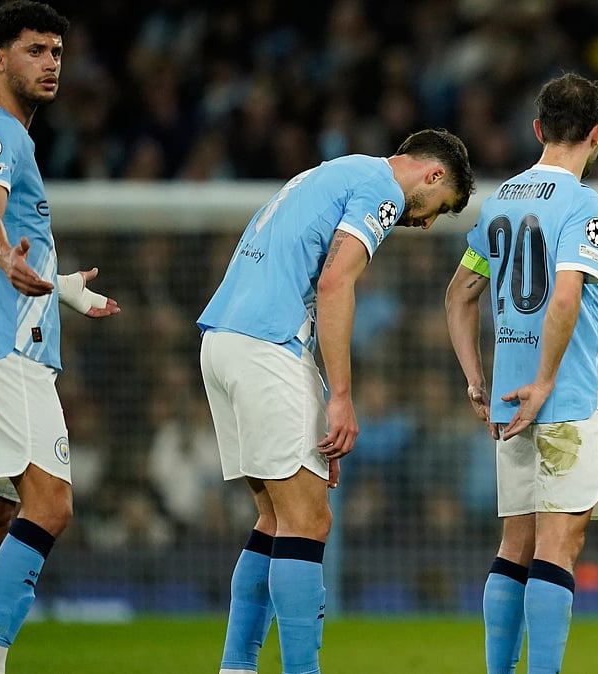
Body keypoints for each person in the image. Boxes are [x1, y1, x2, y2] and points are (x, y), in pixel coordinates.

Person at [197, 128, 474, 674]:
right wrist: (340, 398)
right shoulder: (383, 188)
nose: (423, 223)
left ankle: (236, 667)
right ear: (433, 175)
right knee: (309, 521)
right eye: (436, 209)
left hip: (222, 340)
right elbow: (334, 284)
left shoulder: (337, 171)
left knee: (275, 521)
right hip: (266, 346)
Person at [0, 3, 120, 673]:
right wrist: (5, 257)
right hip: (2, 351)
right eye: (35, 50)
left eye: (57, 53)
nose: (50, 63)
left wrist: (59, 282)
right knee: (51, 503)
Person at [445, 72, 598, 674]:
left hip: (508, 403)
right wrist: (545, 379)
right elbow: (565, 294)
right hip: (562, 398)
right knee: (558, 548)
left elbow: (461, 292)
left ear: (539, 129)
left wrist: (474, 378)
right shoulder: (583, 204)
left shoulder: (501, 201)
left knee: (514, 546)